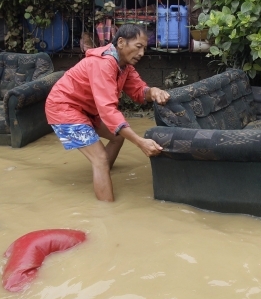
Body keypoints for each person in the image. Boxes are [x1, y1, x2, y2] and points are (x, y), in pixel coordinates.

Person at [45, 24, 170, 201]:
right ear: (121, 42)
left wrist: (154, 91)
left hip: (86, 111)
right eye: (138, 47)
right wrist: (140, 142)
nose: (142, 53)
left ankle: (101, 173)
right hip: (64, 108)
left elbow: (139, 91)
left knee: (117, 137)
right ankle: (106, 212)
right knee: (100, 158)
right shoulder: (103, 64)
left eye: (144, 49)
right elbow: (108, 111)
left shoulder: (123, 66)